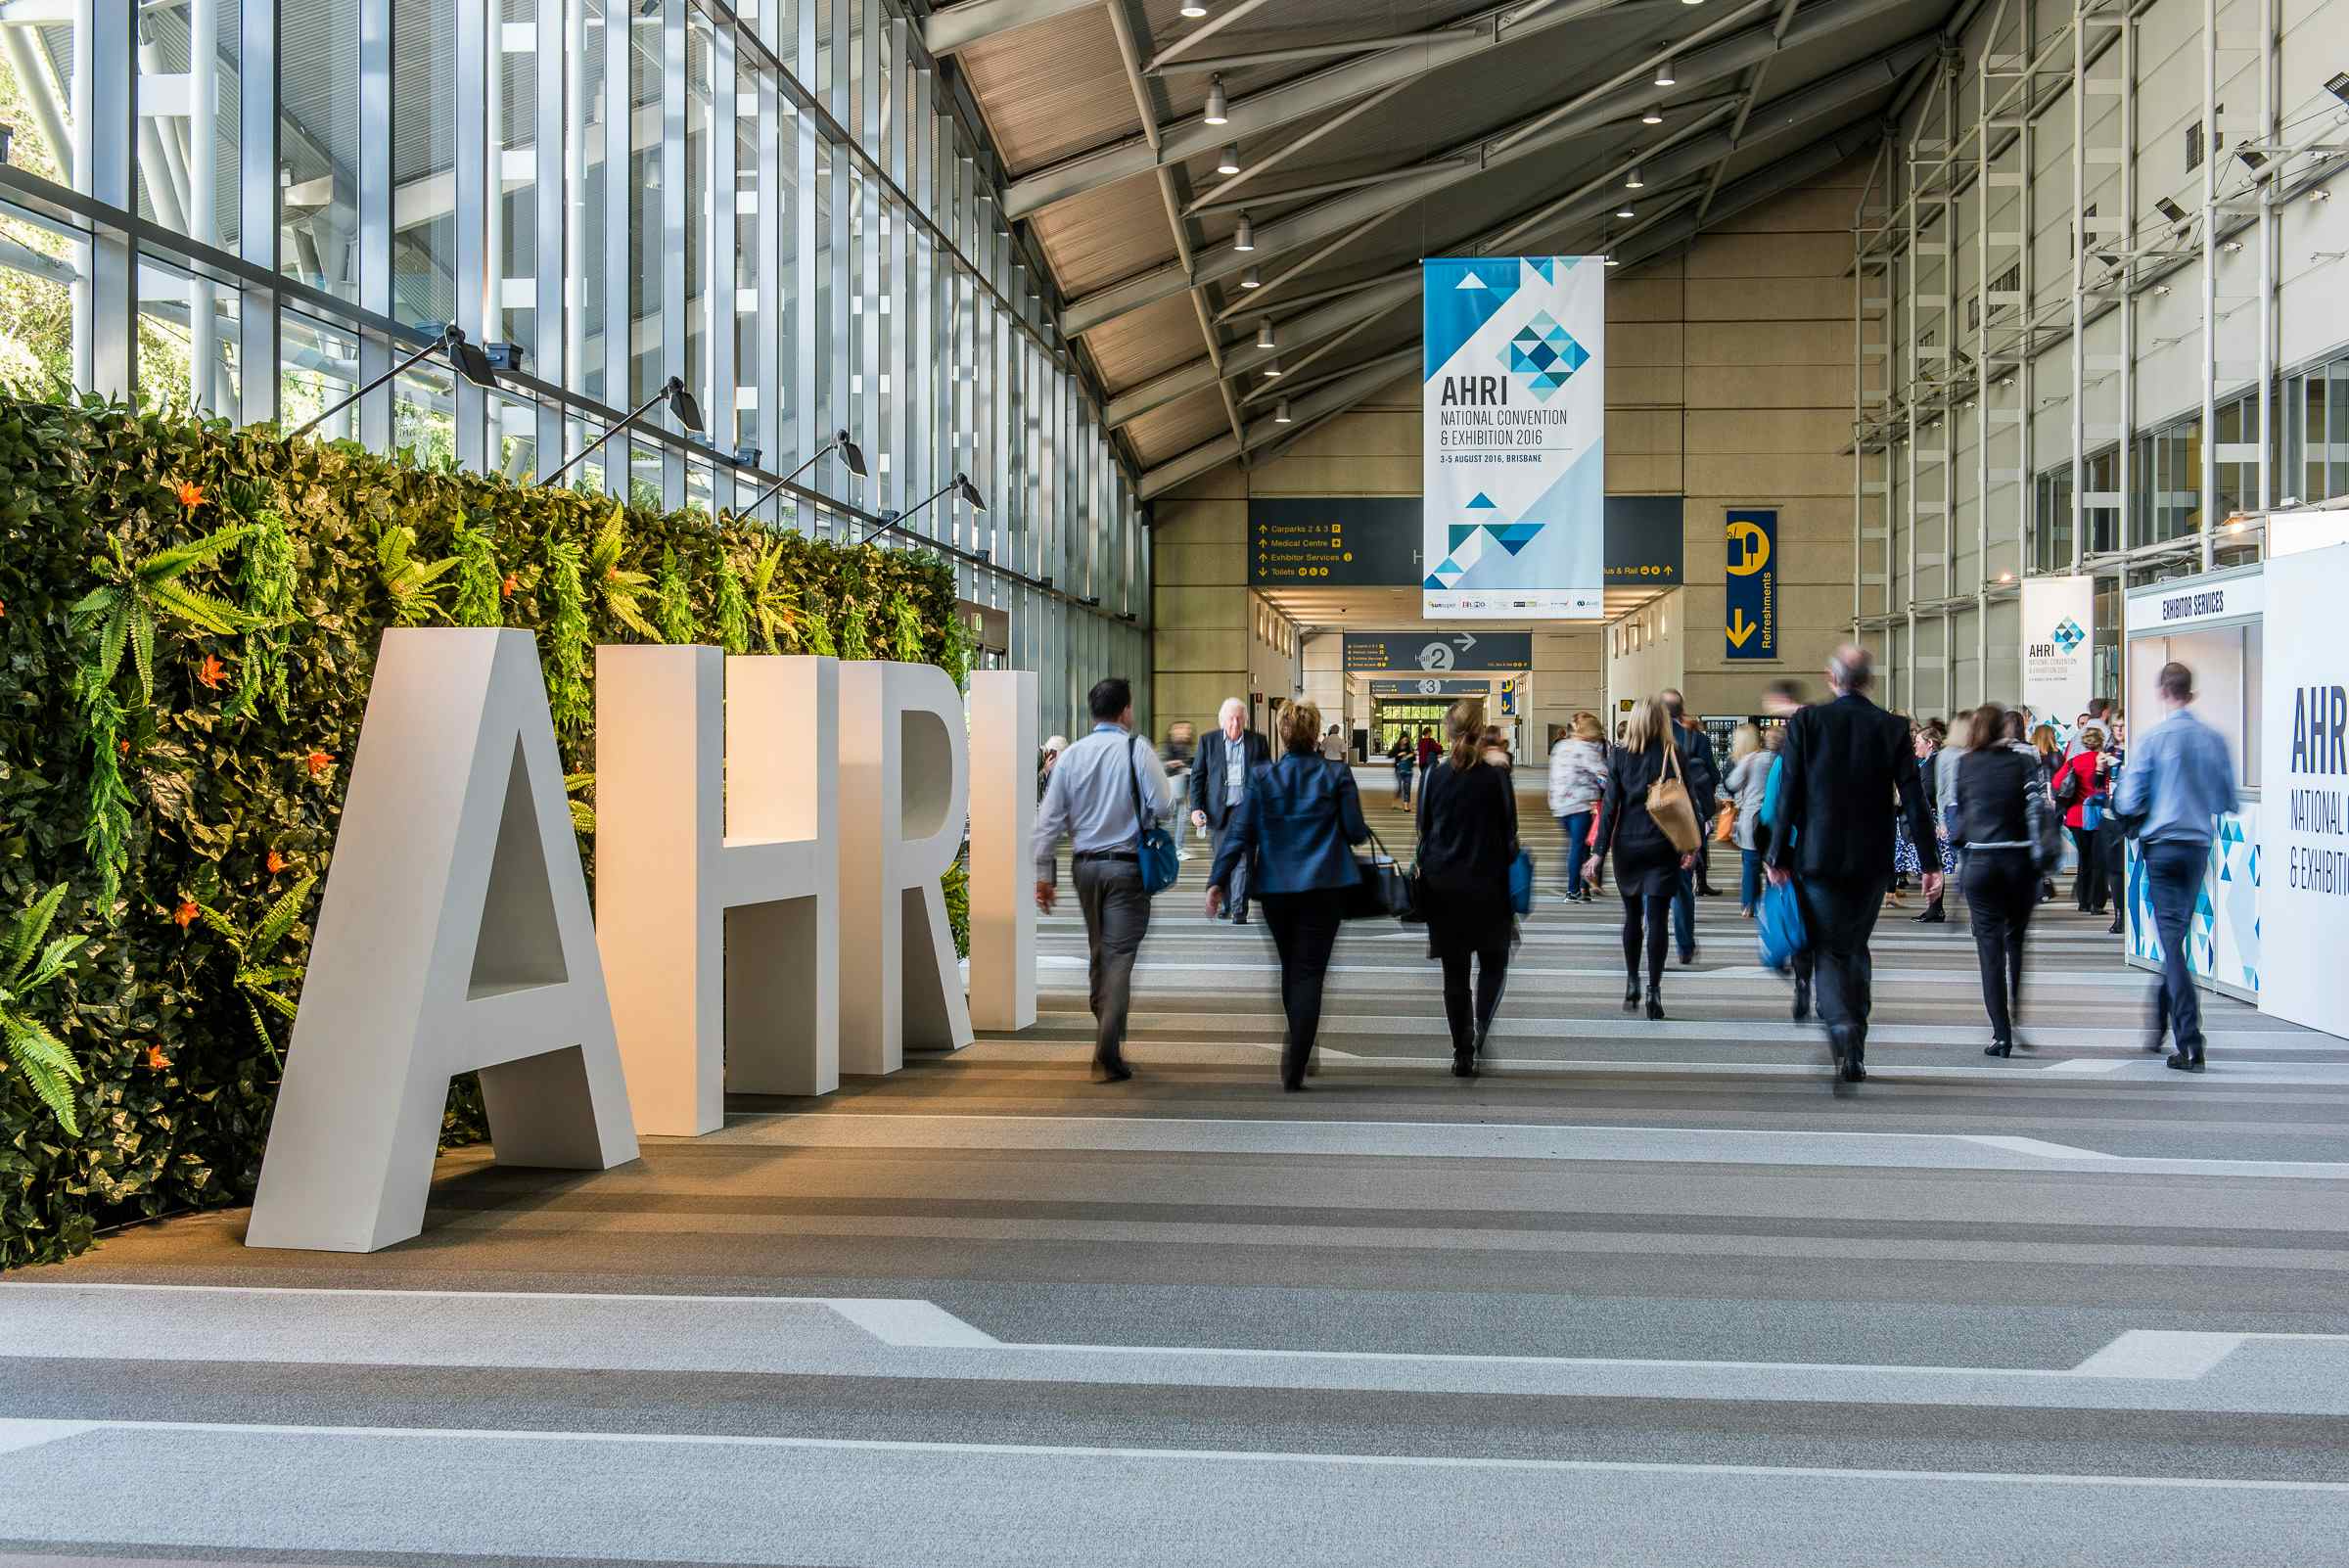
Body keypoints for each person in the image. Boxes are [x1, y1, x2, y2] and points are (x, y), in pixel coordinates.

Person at [1765, 645, 1941, 1084]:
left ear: (1832, 679)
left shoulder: (1808, 723)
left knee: (1827, 947)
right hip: (1871, 859)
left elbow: (1789, 793)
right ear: (1870, 681)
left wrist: (1776, 855)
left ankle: (1840, 1023)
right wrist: (1929, 862)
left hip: (1818, 856)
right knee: (1856, 946)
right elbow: (1913, 797)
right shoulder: (1892, 727)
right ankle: (1856, 1046)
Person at [1207, 702, 1369, 1091]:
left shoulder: (1263, 776)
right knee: (1310, 972)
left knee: (1290, 967)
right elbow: (1355, 831)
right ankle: (1298, 1055)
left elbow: (1240, 832)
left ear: (1282, 734)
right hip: (1325, 887)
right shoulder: (1337, 774)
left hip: (1276, 890)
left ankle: (1300, 1042)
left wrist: (1217, 880)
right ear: (1316, 735)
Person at [1034, 679, 1173, 1084]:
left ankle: (1104, 1020)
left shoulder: (1071, 757)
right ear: (1125, 711)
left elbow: (1047, 822)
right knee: (1120, 955)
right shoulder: (1136, 749)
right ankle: (1108, 1045)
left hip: (1085, 868)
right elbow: (1164, 805)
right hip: (1127, 867)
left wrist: (1044, 876)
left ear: (1093, 713)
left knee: (1100, 950)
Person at [2113, 661, 2236, 1073]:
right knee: (2176, 938)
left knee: (2171, 942)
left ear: (2162, 692)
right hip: (2197, 846)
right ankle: (2158, 1022)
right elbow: (2225, 800)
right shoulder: (2213, 740)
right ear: (2191, 692)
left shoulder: (2153, 739)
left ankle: (2190, 1041)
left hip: (2162, 847)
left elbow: (2127, 799)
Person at [1415, 698, 1519, 1077]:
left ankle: (1462, 1050)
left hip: (1444, 888)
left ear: (1448, 732)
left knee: (1454, 974)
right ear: (1480, 730)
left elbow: (1423, 829)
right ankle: (1481, 1027)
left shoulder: (1433, 776)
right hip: (1489, 885)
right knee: (1494, 964)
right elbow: (1510, 833)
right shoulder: (1496, 777)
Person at [1948, 704, 2043, 1058]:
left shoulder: (1965, 764)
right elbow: (2037, 807)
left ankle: (2000, 1034)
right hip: (2018, 861)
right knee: (2016, 940)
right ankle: (2016, 1012)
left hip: (1981, 863)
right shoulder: (2023, 762)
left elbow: (1958, 816)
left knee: (1989, 950)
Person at [1602, 695, 1701, 1019]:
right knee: (1658, 919)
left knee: (1632, 916)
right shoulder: (1674, 753)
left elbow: (1609, 808)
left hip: (1627, 846)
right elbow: (1690, 802)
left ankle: (1632, 978)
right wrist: (1692, 846)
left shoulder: (1618, 756)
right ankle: (1653, 991)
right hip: (1663, 845)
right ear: (1662, 721)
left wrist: (1597, 853)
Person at [1190, 698, 1270, 925]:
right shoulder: (1208, 741)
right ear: (1222, 720)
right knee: (1222, 859)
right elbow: (1197, 777)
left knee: (1244, 860)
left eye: (1239, 718)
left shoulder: (1258, 742)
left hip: (1247, 811)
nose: (1235, 723)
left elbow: (1267, 777)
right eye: (1231, 718)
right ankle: (1225, 903)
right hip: (1218, 811)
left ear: (1245, 719)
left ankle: (1239, 909)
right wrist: (1196, 808)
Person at [1658, 689, 1719, 960]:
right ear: (1681, 710)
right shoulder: (1697, 739)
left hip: (1657, 819)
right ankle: (1685, 945)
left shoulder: (1648, 740)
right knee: (1683, 884)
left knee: (1654, 886)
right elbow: (1713, 775)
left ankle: (1656, 944)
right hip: (1687, 818)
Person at [1547, 712, 1608, 902]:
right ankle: (1573, 890)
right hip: (1580, 805)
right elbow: (1604, 775)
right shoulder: (1586, 749)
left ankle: (1583, 888)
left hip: (1559, 805)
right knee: (1578, 846)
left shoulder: (1561, 746)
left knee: (1579, 845)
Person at [2052, 726, 2113, 914]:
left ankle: (2083, 901)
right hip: (2098, 816)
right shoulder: (2106, 761)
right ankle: (2097, 903)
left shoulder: (2074, 761)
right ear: (2101, 741)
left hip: (2076, 816)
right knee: (2099, 860)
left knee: (2084, 859)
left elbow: (2057, 783)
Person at [1723, 722, 1773, 917]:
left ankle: (1749, 904)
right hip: (1772, 816)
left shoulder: (1749, 760)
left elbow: (1732, 783)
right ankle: (1772, 903)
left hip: (1751, 816)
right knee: (1772, 861)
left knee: (1750, 863)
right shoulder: (1773, 757)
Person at [1913, 717, 1954, 924]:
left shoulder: (1932, 764)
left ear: (1929, 743)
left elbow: (1928, 792)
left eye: (1918, 742)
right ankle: (1934, 907)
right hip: (1936, 819)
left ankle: (1935, 908)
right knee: (1934, 864)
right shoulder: (1931, 762)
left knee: (1935, 863)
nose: (1915, 746)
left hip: (1934, 820)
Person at [1390, 731, 1416, 809]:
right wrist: (1399, 754)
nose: (1405, 741)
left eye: (1406, 740)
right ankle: (1395, 802)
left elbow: (1414, 758)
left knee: (1407, 787)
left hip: (1408, 769)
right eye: (1404, 740)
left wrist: (1410, 755)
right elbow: (1389, 755)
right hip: (1398, 769)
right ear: (1401, 739)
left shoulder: (1409, 747)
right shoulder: (1397, 746)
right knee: (1399, 788)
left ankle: (1406, 806)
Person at [1037, 735, 1068, 802]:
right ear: (1053, 753)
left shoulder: (1043, 761)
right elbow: (1029, 784)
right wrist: (1044, 771)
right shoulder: (1038, 758)